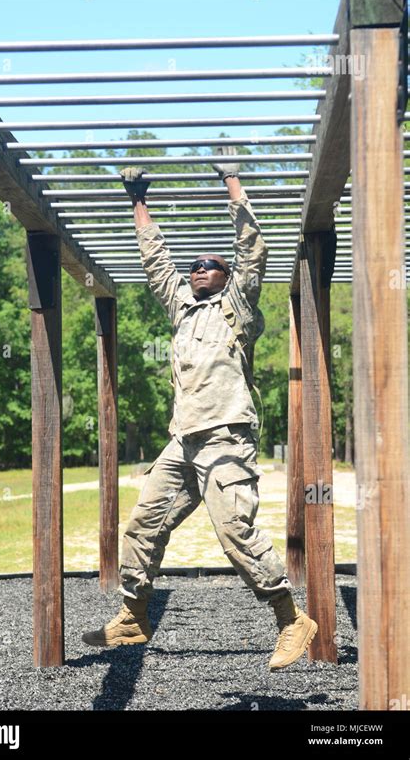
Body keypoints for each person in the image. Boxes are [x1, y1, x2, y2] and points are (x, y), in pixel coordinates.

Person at [82, 147, 318, 670]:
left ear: (226, 274)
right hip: (183, 439)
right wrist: (138, 201)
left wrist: (232, 179)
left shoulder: (237, 304)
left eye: (210, 266)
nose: (198, 271)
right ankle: (134, 615)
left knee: (235, 531)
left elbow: (252, 248)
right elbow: (155, 260)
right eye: (194, 268)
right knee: (143, 524)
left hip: (226, 437)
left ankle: (290, 619)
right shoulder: (182, 309)